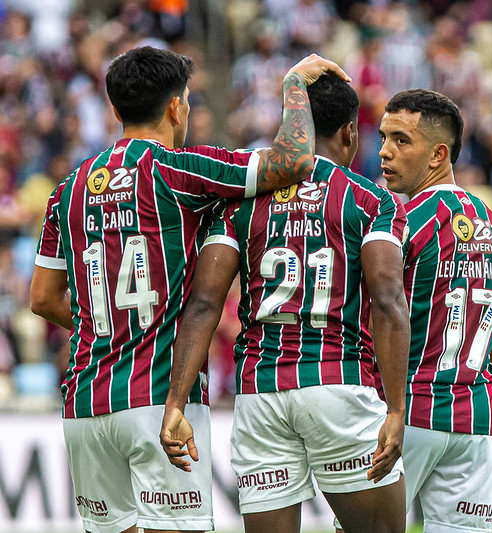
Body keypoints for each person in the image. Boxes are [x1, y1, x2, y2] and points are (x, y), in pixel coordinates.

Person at [28, 46, 349, 533]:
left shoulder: (68, 188)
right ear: (177, 107)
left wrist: (107, 328)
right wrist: (294, 85)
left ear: (115, 110)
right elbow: (294, 160)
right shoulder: (178, 169)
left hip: (85, 403)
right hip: (159, 400)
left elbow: (42, 298)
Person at [160, 74, 410, 533]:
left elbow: (203, 305)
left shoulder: (238, 206)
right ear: (350, 133)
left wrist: (175, 403)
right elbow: (389, 299)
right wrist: (396, 410)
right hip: (338, 381)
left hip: (260, 394)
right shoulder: (372, 200)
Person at [378, 90, 492, 531]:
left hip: (410, 412)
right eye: (383, 137)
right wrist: (487, 403)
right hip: (475, 420)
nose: (384, 151)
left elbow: (379, 313)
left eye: (401, 141)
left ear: (438, 154)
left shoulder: (401, 223)